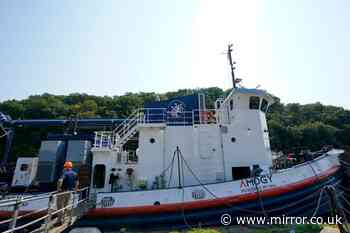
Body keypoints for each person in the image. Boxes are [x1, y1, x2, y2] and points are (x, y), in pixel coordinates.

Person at [56, 161, 79, 225]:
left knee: (60, 206)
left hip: (62, 192)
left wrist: (58, 189)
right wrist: (75, 189)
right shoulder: (75, 174)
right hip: (70, 192)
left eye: (65, 167)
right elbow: (77, 182)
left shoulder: (64, 173)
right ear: (71, 167)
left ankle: (59, 221)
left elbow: (60, 180)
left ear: (65, 167)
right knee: (66, 205)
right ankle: (64, 218)